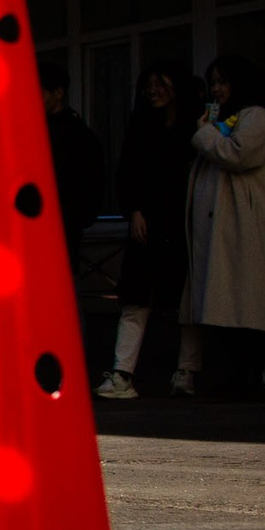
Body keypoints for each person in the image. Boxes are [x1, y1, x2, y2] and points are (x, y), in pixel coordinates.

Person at [181, 55, 265, 397]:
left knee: (243, 305)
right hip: (219, 231)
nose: (217, 90)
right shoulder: (225, 119)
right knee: (222, 306)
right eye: (214, 84)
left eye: (224, 82)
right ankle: (224, 380)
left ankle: (245, 381)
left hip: (243, 228)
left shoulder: (259, 117)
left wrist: (205, 132)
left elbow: (238, 154)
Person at [95, 66, 197, 399]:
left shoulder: (194, 127)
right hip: (149, 222)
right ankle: (123, 373)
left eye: (161, 83)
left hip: (185, 223)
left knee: (188, 299)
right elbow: (128, 171)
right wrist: (135, 209)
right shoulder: (140, 126)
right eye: (149, 85)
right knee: (136, 298)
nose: (154, 90)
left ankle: (187, 371)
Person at [38, 58, 105, 272]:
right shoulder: (36, 129)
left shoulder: (75, 134)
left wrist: (74, 216)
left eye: (41, 92)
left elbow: (90, 179)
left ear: (58, 93)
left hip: (62, 224)